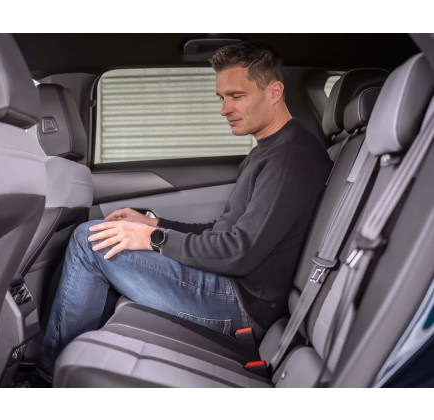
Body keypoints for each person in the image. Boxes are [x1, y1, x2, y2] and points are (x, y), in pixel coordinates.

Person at [38, 41, 332, 381]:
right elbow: (222, 231)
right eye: (221, 98)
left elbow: (238, 251)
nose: (224, 109)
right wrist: (151, 223)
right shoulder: (267, 151)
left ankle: (49, 377)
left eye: (237, 96)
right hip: (228, 287)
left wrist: (154, 239)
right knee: (103, 237)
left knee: (90, 242)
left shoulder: (289, 158)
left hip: (240, 306)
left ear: (274, 92)